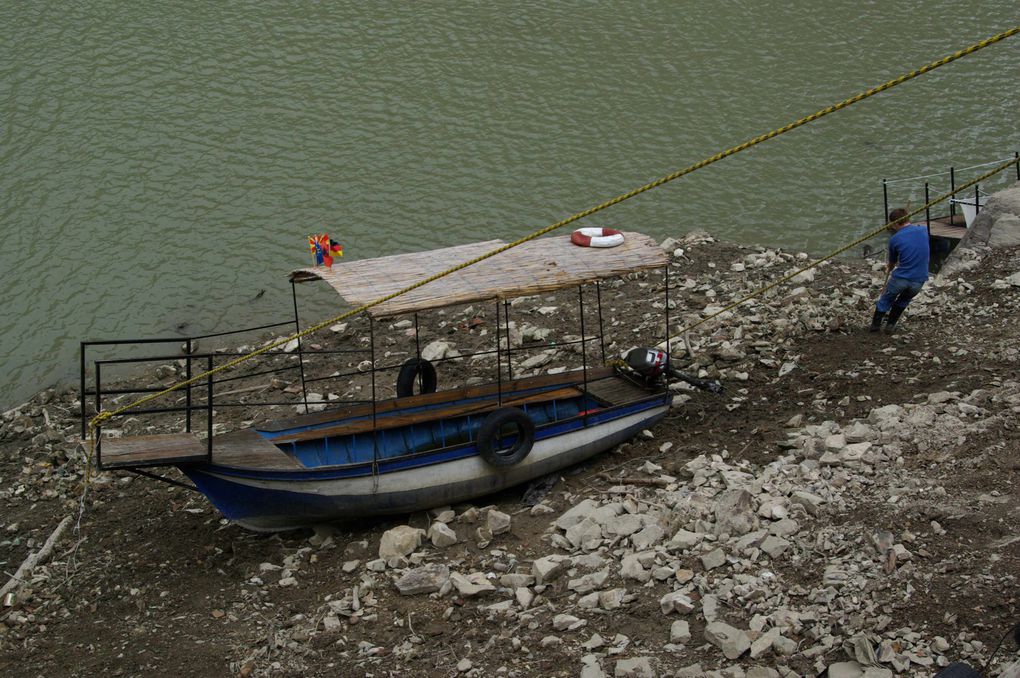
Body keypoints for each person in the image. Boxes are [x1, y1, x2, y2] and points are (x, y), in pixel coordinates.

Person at [870, 208, 930, 334]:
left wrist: (890, 266)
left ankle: (875, 326)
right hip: (919, 279)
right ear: (908, 218)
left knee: (886, 299)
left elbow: (892, 261)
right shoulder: (924, 230)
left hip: (901, 278)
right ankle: (890, 326)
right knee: (904, 300)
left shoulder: (895, 239)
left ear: (895, 223)